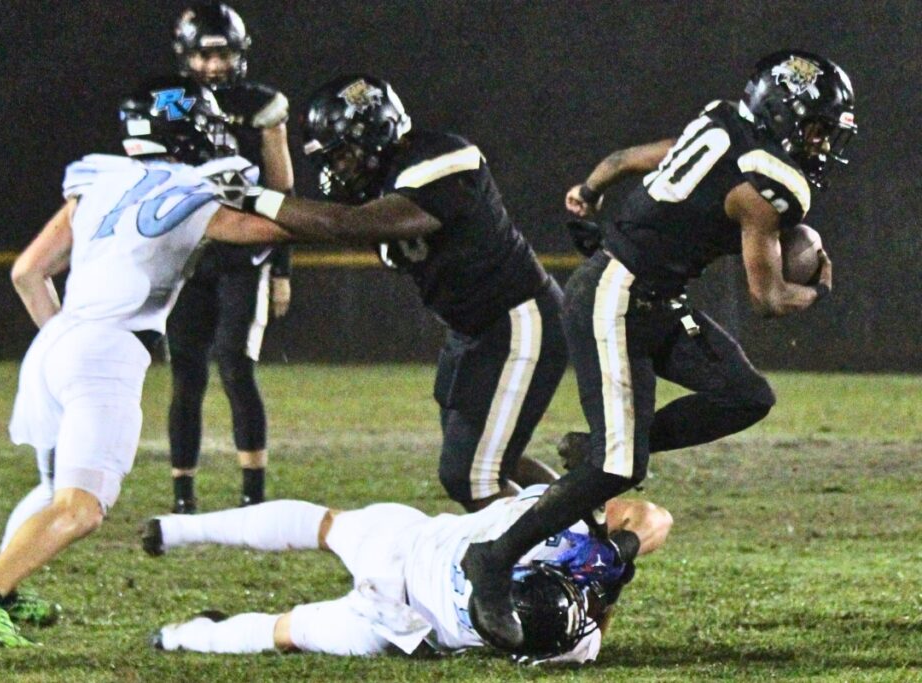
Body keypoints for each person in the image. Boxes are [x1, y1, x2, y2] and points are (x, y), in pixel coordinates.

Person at [460, 49, 857, 650]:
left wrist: (595, 182)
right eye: (816, 127)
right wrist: (817, 287)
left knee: (744, 394)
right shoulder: (767, 186)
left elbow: (635, 157)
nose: (822, 143)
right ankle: (491, 559)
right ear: (780, 114)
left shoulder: (725, 122)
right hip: (616, 298)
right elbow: (767, 297)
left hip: (651, 296)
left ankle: (602, 444)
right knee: (618, 469)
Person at [0, 77, 293, 647]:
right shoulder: (190, 191)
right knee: (82, 507)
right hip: (107, 351)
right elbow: (280, 225)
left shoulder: (99, 180)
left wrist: (68, 341)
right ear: (189, 130)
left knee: (55, 487)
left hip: (57, 342)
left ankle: (3, 589)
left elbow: (27, 273)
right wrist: (280, 146)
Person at [236, 74, 569, 511]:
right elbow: (311, 222)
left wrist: (250, 196)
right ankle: (585, 519)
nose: (335, 170)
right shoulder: (375, 186)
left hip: (519, 319)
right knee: (476, 456)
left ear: (375, 131)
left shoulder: (444, 157)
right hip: (473, 332)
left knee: (472, 476)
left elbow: (347, 224)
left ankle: (559, 559)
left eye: (341, 156)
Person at [141, 485, 672, 662]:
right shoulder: (567, 642)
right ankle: (178, 636)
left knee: (320, 526)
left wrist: (617, 550)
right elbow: (593, 628)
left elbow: (651, 516)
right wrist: (612, 574)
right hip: (395, 625)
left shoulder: (542, 525)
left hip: (403, 545)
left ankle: (176, 529)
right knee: (286, 631)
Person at [166, 1, 294, 513]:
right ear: (187, 55)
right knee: (186, 373)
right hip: (188, 253)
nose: (215, 66)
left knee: (235, 366)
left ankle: (252, 495)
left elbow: (283, 188)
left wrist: (282, 269)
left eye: (224, 54)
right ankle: (182, 495)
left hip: (247, 255)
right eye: (205, 55)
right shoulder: (171, 102)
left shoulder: (262, 104)